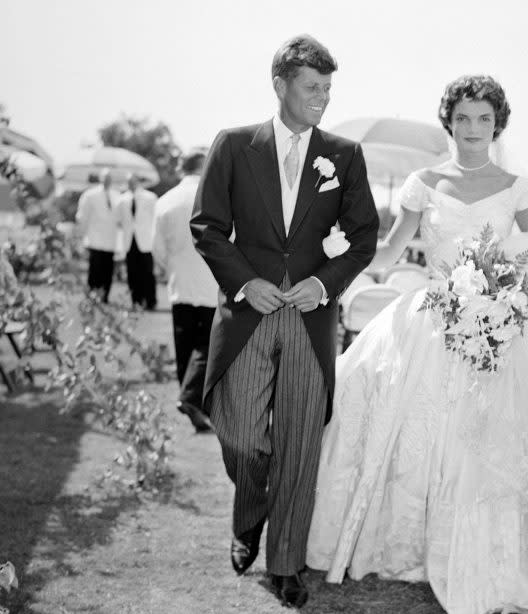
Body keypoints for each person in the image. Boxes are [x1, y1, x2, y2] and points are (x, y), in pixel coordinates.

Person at [306, 75, 528, 614]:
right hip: (429, 318)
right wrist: (333, 250)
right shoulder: (424, 182)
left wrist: (505, 297)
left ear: (498, 124)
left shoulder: (518, 187)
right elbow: (390, 251)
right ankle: (407, 543)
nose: (474, 129)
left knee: (495, 441)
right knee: (389, 410)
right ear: (449, 121)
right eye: (464, 118)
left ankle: (495, 554)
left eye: (484, 119)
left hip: (497, 325)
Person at [190, 35, 379, 609]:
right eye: (310, 87)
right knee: (243, 434)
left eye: (327, 88)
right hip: (248, 313)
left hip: (311, 318)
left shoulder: (344, 155)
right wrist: (247, 281)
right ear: (280, 85)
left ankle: (287, 564)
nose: (321, 97)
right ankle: (250, 512)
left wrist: (323, 284)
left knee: (299, 442)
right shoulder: (232, 145)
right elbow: (208, 227)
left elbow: (364, 237)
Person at [152, 151, 217, 433]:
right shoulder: (216, 196)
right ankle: (192, 400)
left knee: (185, 346)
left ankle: (189, 399)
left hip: (179, 284)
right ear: (204, 167)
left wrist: (173, 266)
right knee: (207, 344)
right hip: (211, 281)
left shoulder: (165, 201)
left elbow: (156, 250)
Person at [75, 168, 128, 303]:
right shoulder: (90, 195)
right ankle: (92, 296)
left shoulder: (117, 195)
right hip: (95, 240)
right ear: (100, 179)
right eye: (105, 178)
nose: (107, 181)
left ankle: (104, 296)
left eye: (109, 178)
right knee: (95, 271)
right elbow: (82, 217)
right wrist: (81, 236)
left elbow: (121, 219)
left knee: (108, 272)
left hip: (110, 241)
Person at [119, 173, 158, 310]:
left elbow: (155, 219)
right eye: (129, 181)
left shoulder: (150, 197)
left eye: (133, 181)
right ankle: (136, 301)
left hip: (145, 241)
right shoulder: (122, 199)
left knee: (147, 273)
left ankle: (150, 301)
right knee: (132, 273)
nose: (131, 184)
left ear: (138, 181)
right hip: (130, 241)